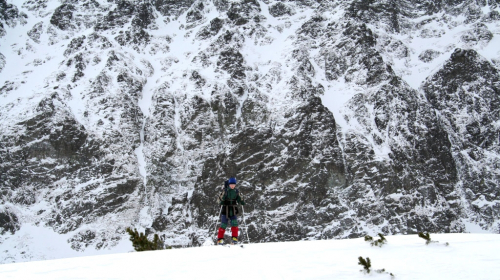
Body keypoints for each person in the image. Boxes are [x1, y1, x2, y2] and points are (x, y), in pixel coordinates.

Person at [217, 177, 245, 245]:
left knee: (234, 223)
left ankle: (234, 238)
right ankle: (220, 239)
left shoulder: (236, 191)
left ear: (235, 185)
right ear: (229, 184)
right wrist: (222, 201)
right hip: (225, 209)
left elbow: (239, 199)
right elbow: (219, 200)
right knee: (223, 224)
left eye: (234, 184)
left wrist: (241, 201)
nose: (232, 186)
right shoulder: (225, 191)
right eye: (231, 184)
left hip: (233, 209)